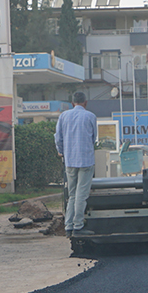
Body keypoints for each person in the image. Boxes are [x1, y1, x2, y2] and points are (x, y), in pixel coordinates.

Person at [54, 91, 97, 235]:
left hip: (70, 160)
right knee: (81, 195)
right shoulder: (91, 116)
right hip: (86, 160)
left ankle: (68, 226)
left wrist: (61, 151)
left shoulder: (63, 116)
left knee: (72, 194)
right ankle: (78, 225)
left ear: (72, 103)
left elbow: (58, 138)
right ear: (85, 103)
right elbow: (93, 139)